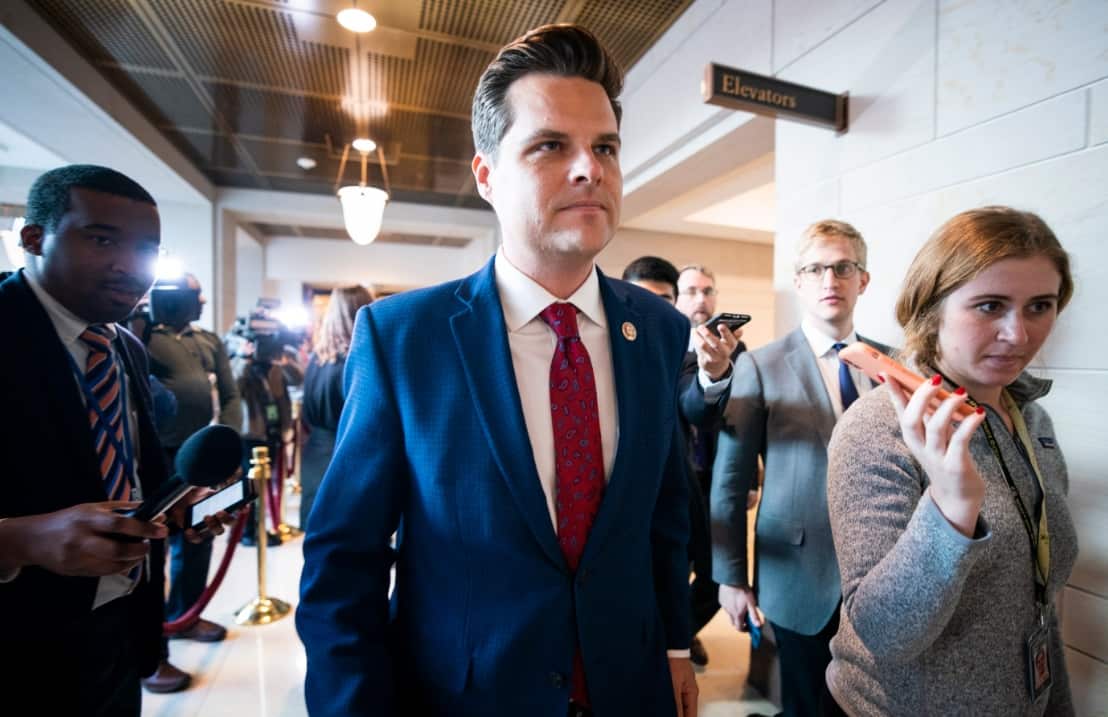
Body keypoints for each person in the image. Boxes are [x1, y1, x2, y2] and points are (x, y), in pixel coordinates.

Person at [297, 24, 698, 717]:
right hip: (466, 694)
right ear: (486, 174)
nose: (589, 169)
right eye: (550, 145)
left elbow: (663, 515)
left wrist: (674, 646)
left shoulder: (658, 330)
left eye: (605, 147)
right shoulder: (404, 337)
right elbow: (345, 563)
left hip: (629, 688)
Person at [824, 206, 1078, 715]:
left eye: (1039, 306)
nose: (1019, 335)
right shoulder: (877, 429)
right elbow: (883, 634)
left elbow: (1037, 599)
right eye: (989, 306)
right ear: (932, 306)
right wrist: (950, 507)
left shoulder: (1031, 418)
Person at [0, 164, 230, 715]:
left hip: (118, 630)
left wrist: (175, 505)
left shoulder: (123, 346)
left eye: (147, 248)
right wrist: (18, 541)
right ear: (33, 238)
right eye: (102, 240)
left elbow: (123, 468)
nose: (131, 267)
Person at [712, 220, 888, 717]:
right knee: (808, 705)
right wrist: (731, 577)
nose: (829, 280)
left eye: (842, 267)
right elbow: (729, 481)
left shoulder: (889, 365)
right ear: (800, 281)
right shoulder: (761, 365)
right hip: (797, 573)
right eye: (815, 269)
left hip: (881, 578)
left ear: (862, 279)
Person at [143, 272, 243, 691]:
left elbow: (232, 393)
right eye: (196, 295)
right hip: (163, 457)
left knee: (199, 536)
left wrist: (230, 445)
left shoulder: (207, 340)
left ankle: (187, 612)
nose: (202, 301)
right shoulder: (145, 334)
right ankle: (152, 646)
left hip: (202, 457)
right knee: (153, 549)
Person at [673, 264, 746, 666]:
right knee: (673, 569)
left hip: (716, 481)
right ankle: (674, 642)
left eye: (708, 290)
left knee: (717, 574)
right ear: (677, 298)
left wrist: (750, 475)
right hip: (675, 481)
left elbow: (745, 418)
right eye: (691, 291)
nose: (701, 299)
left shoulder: (738, 349)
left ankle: (681, 633)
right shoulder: (660, 347)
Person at [299, 285, 373, 531]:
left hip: (315, 452)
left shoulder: (317, 359)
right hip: (350, 455)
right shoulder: (361, 360)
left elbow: (306, 415)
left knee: (318, 537)